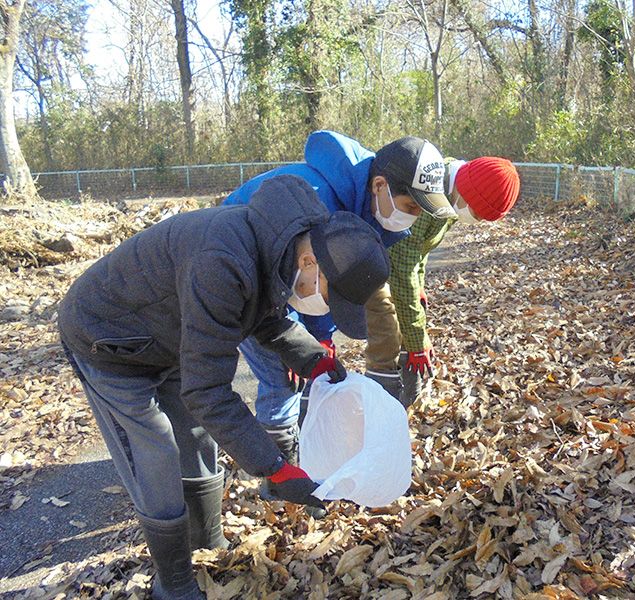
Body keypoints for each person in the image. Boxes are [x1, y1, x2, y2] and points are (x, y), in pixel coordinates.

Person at [58, 175, 391, 600]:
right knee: (156, 452)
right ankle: (174, 583)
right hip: (106, 339)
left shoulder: (277, 246)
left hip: (170, 333)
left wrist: (314, 358)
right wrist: (274, 466)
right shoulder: (225, 258)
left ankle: (207, 541)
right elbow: (208, 391)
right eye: (330, 294)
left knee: (196, 436)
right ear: (310, 263)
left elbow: (260, 316)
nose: (326, 306)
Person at [222, 131, 455, 492]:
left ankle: (292, 461)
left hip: (292, 278)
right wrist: (296, 340)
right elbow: (286, 275)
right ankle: (277, 485)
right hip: (245, 273)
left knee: (306, 369)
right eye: (411, 208)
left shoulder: (370, 207)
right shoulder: (318, 202)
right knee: (280, 378)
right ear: (380, 186)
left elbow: (337, 285)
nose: (412, 219)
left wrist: (322, 338)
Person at [363, 157, 521, 407]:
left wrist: (420, 285)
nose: (476, 220)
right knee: (386, 330)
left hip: (393, 260)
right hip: (370, 258)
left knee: (413, 310)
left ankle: (405, 389)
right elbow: (402, 270)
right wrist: (417, 342)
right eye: (478, 213)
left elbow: (420, 249)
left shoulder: (451, 194)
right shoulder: (428, 197)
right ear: (469, 192)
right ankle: (379, 404)